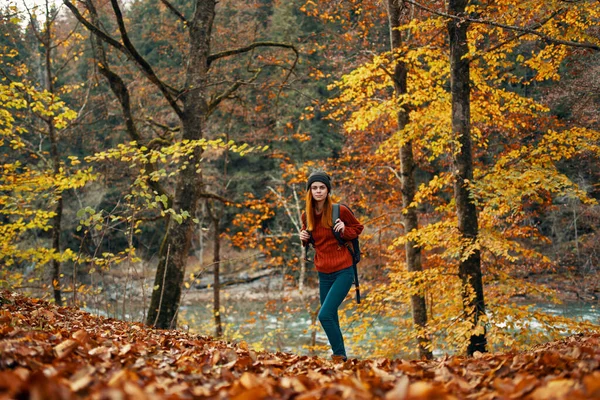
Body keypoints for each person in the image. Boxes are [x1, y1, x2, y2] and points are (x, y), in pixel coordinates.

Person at [300, 171, 364, 362]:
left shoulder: (340, 210)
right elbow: (313, 239)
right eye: (314, 188)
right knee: (332, 317)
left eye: (321, 187)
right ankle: (342, 358)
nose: (318, 191)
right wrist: (304, 238)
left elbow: (358, 229)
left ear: (327, 190)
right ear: (309, 191)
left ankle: (338, 356)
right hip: (323, 272)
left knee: (325, 315)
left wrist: (344, 230)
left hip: (343, 270)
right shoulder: (307, 216)